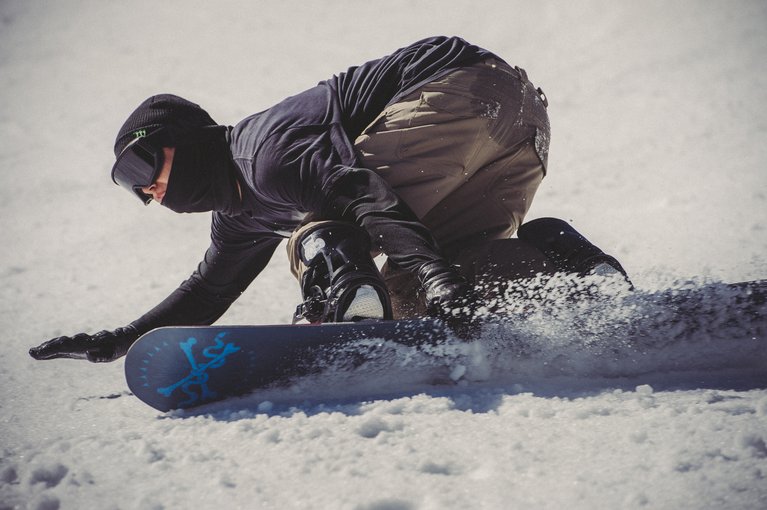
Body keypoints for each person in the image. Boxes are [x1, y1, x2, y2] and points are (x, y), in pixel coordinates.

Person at [29, 36, 625, 363]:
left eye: (141, 167)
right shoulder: (240, 212)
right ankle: (567, 266)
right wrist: (122, 339)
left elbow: (364, 195)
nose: (148, 192)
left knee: (325, 227)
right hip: (521, 132)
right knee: (414, 297)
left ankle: (338, 309)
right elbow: (210, 291)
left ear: (181, 143)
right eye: (130, 188)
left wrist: (430, 275)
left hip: (461, 88)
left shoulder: (261, 151)